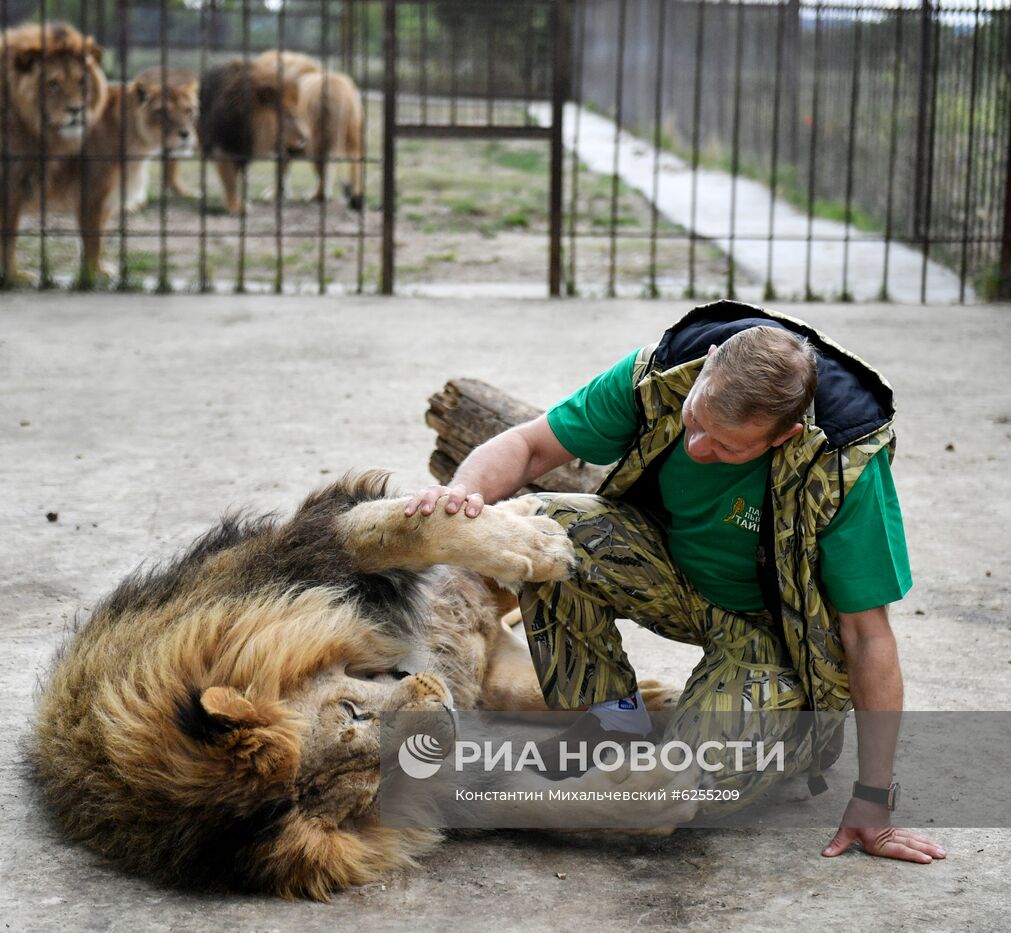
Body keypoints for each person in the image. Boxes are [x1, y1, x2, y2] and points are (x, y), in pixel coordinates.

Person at [405, 301, 947, 864]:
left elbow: (868, 636)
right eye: (695, 420)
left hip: (774, 637)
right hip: (671, 574)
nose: (697, 447)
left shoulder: (846, 466)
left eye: (727, 446)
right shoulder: (664, 373)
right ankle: (610, 723)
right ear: (708, 364)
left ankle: (782, 737)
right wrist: (458, 494)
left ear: (783, 437)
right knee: (550, 530)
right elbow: (531, 446)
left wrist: (873, 799)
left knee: (676, 794)